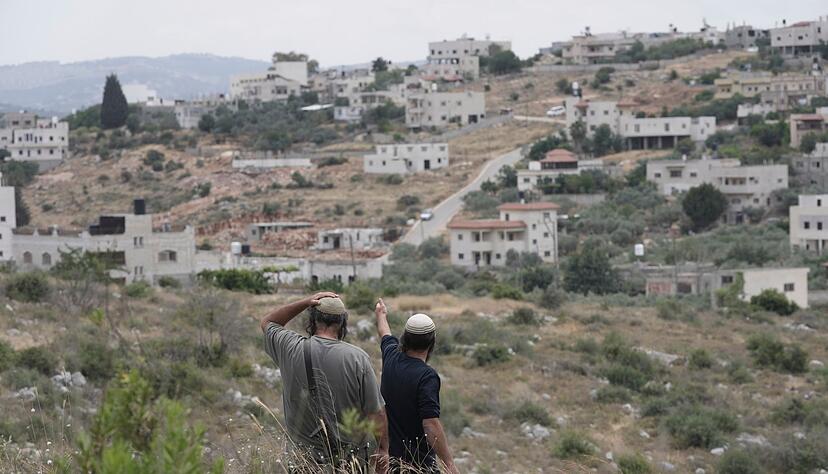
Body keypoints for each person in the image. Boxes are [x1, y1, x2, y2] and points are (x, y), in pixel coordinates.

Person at [261, 292, 388, 470]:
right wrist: (383, 449)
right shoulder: (358, 358)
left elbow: (269, 322)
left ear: (312, 320)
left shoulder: (290, 348)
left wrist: (306, 302)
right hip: (348, 463)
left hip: (303, 463)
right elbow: (376, 413)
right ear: (342, 323)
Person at [374, 298, 459, 474]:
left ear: (405, 338)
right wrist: (449, 464)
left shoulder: (391, 356)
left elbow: (384, 332)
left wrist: (381, 313)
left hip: (390, 463)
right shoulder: (427, 376)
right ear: (432, 342)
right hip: (418, 465)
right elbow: (430, 424)